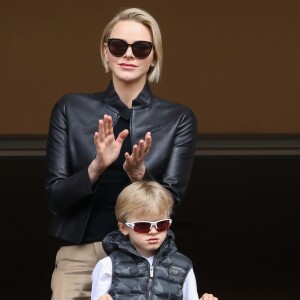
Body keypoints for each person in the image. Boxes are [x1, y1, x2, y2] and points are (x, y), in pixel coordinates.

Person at [45, 7, 197, 300]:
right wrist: (96, 167)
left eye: (141, 48)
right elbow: (55, 199)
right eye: (119, 46)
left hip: (148, 255)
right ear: (106, 52)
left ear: (154, 57)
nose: (129, 54)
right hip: (81, 255)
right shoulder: (70, 108)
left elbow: (171, 201)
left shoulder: (178, 118)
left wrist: (141, 176)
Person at [91, 181, 218, 300]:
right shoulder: (108, 266)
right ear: (124, 228)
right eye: (143, 226)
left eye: (161, 224)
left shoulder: (183, 266)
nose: (153, 231)